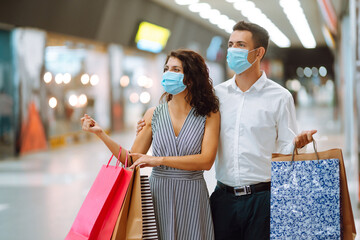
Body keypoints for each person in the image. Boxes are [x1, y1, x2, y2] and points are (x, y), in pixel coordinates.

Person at [137, 21, 316, 240]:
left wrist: (298, 144)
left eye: (240, 45)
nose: (232, 50)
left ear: (258, 52)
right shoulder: (217, 96)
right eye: (230, 44)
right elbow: (183, 116)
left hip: (263, 199)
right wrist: (149, 123)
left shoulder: (280, 97)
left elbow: (287, 150)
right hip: (223, 198)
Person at [81, 49, 220, 240]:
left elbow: (206, 161)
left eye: (176, 69)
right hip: (157, 195)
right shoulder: (153, 114)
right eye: (166, 68)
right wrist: (101, 134)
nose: (168, 73)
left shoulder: (209, 114)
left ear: (191, 77)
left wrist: (159, 160)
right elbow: (131, 159)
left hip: (193, 195)